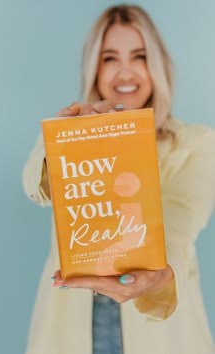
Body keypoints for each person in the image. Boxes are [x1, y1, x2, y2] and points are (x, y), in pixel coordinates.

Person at [23, 4, 215, 354]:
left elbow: (181, 217)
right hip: (72, 325)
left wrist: (159, 270)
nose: (125, 72)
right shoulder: (73, 139)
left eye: (139, 56)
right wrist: (57, 139)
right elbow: (38, 188)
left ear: (157, 65)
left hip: (159, 331)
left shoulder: (197, 143)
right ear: (93, 69)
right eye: (109, 58)